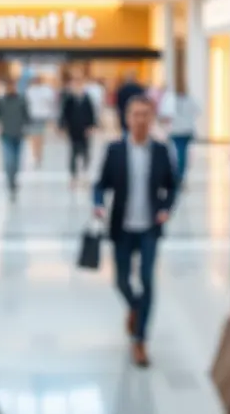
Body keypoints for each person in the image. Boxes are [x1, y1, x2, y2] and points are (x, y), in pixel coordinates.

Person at [92, 96, 180, 367]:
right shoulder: (115, 150)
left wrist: (165, 208)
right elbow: (100, 184)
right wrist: (97, 204)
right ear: (127, 118)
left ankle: (140, 340)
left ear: (152, 118)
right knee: (121, 281)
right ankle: (134, 307)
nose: (140, 120)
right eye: (135, 114)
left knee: (147, 280)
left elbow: (173, 185)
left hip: (150, 228)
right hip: (122, 227)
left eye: (145, 114)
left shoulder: (161, 151)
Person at [158, 73, 200, 184]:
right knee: (182, 154)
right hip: (182, 130)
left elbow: (164, 115)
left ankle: (179, 174)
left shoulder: (171, 98)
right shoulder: (188, 98)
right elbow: (197, 110)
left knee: (179, 154)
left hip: (178, 130)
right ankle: (179, 174)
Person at [0, 79, 30, 198]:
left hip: (19, 135)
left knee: (17, 162)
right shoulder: (1, 101)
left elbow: (27, 116)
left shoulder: (21, 100)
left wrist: (25, 127)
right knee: (9, 161)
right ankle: (10, 182)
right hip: (6, 135)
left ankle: (14, 180)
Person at [59, 75, 98, 189]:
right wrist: (63, 127)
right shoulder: (69, 99)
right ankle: (73, 176)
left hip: (85, 130)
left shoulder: (87, 98)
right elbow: (64, 113)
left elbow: (91, 113)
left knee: (85, 152)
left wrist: (91, 126)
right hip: (73, 130)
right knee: (73, 153)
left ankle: (85, 173)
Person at [25, 75, 57, 168]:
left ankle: (37, 155)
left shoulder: (39, 90)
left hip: (38, 116)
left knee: (37, 137)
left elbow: (50, 102)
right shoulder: (31, 91)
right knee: (36, 137)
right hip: (34, 116)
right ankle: (37, 155)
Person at [114, 72, 145, 136]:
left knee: (125, 133)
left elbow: (118, 103)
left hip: (125, 114)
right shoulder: (139, 88)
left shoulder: (122, 89)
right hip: (136, 114)